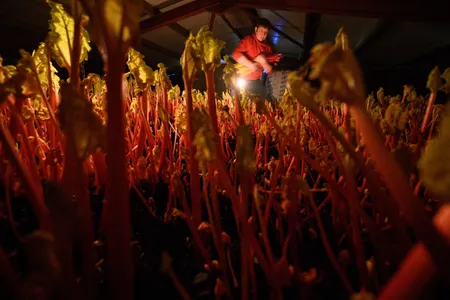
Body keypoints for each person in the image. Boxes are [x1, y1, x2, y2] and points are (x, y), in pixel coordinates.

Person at [232, 17, 282, 102]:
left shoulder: (268, 48)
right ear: (256, 29)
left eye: (266, 33)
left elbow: (269, 70)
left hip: (256, 81)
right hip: (242, 80)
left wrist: (264, 62)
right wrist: (250, 64)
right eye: (261, 31)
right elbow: (235, 54)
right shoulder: (249, 40)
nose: (263, 35)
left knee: (258, 104)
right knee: (239, 103)